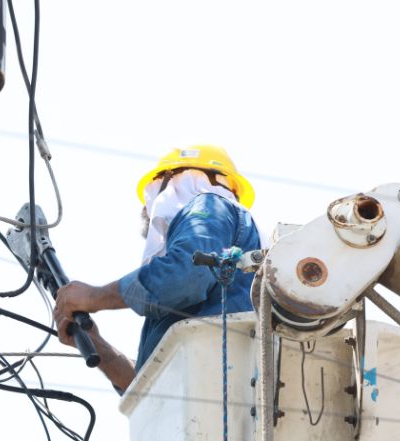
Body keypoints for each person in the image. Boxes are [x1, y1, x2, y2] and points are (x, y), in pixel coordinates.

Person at [52, 145, 263, 393]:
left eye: (151, 197)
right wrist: (96, 344)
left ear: (173, 181)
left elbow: (184, 275)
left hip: (219, 395)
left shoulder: (209, 205)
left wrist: (93, 297)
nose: (147, 210)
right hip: (200, 409)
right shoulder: (175, 317)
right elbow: (148, 391)